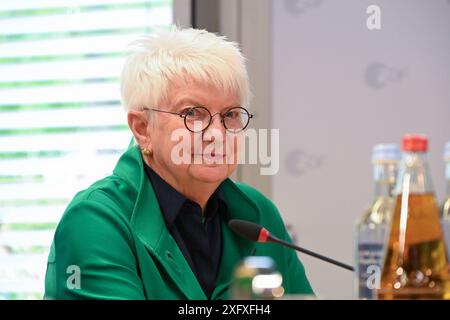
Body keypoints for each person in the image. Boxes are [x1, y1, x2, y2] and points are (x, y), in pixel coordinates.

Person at [44, 27, 313, 299]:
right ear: (142, 128)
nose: (217, 134)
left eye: (230, 114)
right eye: (192, 113)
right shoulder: (94, 219)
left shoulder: (259, 213)